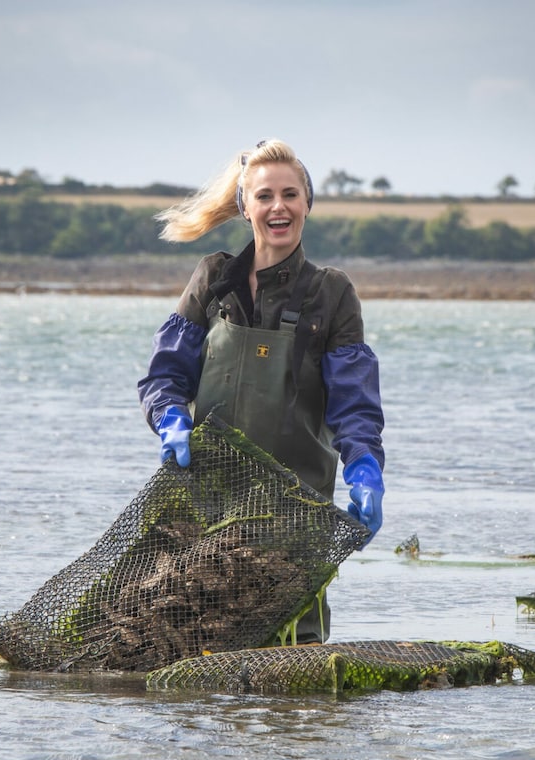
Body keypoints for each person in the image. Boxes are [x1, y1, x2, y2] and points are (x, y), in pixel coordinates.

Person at [137, 139, 384, 642]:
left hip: (295, 512)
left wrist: (364, 467)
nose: (279, 206)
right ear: (244, 205)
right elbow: (166, 376)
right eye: (265, 195)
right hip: (205, 505)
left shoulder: (332, 293)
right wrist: (170, 419)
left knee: (294, 646)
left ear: (307, 205)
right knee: (191, 640)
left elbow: (353, 403)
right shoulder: (214, 279)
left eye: (291, 194)